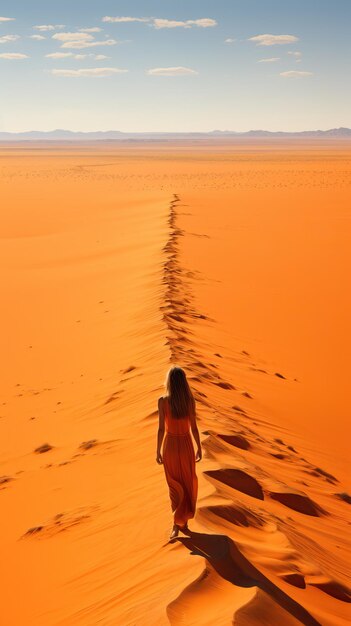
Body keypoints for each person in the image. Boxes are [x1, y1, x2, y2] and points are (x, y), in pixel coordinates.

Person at [156, 365, 202, 540]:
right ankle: (183, 523)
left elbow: (161, 429)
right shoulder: (190, 401)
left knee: (174, 486)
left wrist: (158, 450)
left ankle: (176, 525)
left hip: (170, 446)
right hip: (186, 445)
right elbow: (195, 429)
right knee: (187, 483)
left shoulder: (162, 401)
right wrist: (198, 447)